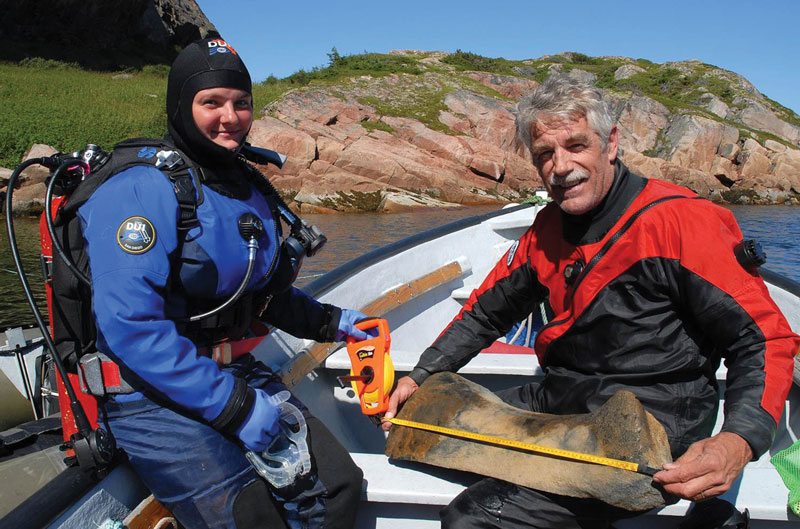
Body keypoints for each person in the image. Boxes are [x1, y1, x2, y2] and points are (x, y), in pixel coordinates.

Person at [382, 76, 800, 528]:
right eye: (545, 154)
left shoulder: (681, 222)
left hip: (655, 418)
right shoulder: (546, 229)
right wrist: (422, 374)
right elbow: (486, 312)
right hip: (563, 397)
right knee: (413, 424)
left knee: (474, 518)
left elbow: (763, 339)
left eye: (576, 146)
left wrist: (737, 440)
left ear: (611, 143)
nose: (561, 167)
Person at [73, 37, 367, 529]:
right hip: (148, 395)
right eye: (212, 102)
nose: (230, 117)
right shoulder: (141, 189)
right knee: (254, 518)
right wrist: (233, 407)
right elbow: (130, 328)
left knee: (338, 489)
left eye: (242, 103)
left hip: (235, 372)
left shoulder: (244, 186)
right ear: (181, 107)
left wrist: (337, 323)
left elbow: (262, 296)